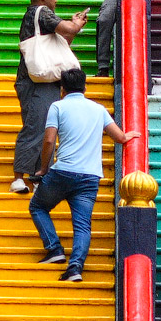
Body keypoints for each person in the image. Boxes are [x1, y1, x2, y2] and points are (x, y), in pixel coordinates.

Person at [30, 66, 136, 282]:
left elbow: (49, 140)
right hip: (89, 177)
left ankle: (54, 249)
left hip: (63, 172)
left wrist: (43, 169)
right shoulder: (98, 109)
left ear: (62, 89)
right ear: (85, 87)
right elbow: (119, 136)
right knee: (82, 224)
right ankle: (75, 268)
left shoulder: (57, 107)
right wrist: (129, 136)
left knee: (38, 206)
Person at [14, 0, 88, 193]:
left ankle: (36, 176)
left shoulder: (41, 23)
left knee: (42, 126)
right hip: (36, 82)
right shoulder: (41, 11)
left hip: (42, 80)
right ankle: (19, 176)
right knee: (36, 126)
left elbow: (63, 44)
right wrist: (76, 23)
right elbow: (69, 29)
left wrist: (73, 28)